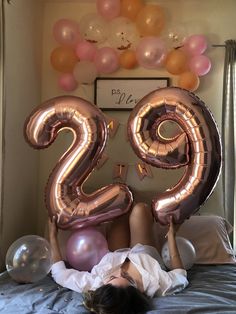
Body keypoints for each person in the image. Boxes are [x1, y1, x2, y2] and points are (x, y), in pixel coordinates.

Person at [48, 202, 188, 314]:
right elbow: (181, 274)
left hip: (116, 252)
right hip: (144, 250)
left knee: (121, 208)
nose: (118, 273)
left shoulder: (97, 285)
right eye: (127, 278)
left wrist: (52, 236)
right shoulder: (159, 284)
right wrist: (171, 237)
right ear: (135, 291)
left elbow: (60, 275)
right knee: (140, 209)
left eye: (111, 278)